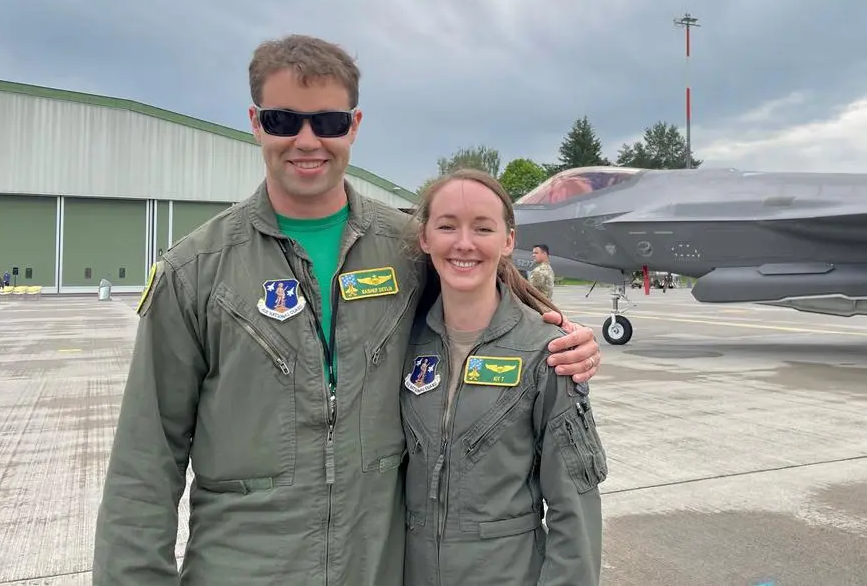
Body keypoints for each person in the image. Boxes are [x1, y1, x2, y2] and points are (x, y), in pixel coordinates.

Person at [91, 34, 604, 585]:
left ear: (354, 126)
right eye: (284, 119)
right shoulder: (196, 272)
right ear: (256, 122)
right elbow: (146, 461)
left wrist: (566, 333)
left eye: (329, 122)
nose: (307, 140)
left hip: (374, 567)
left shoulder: (407, 249)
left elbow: (487, 287)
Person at [400, 170, 605, 585]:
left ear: (508, 240)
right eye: (446, 226)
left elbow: (574, 509)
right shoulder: (402, 342)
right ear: (424, 238)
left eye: (482, 228)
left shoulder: (547, 353)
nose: (464, 243)